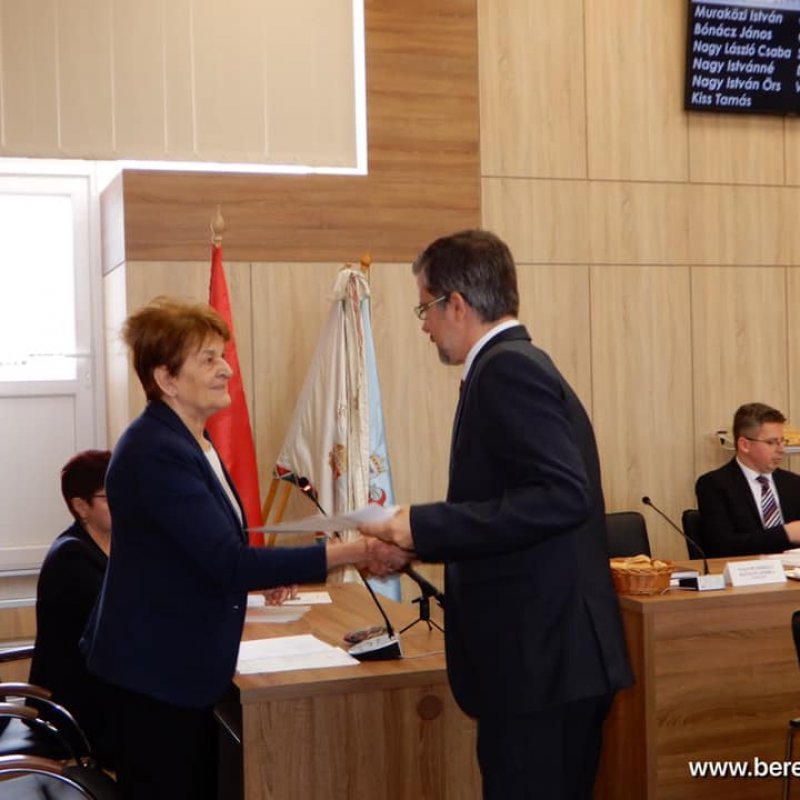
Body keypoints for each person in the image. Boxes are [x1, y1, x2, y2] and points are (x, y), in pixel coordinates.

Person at [81, 297, 409, 800]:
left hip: (177, 665)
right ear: (166, 378)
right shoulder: (156, 452)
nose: (226, 369)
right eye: (208, 359)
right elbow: (228, 562)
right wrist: (354, 550)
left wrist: (268, 572)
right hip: (156, 674)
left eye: (222, 355)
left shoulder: (193, 441)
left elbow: (205, 548)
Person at [359, 230, 633, 799]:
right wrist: (417, 541)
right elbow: (517, 509)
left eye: (425, 308)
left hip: (543, 665)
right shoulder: (508, 364)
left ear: (457, 304)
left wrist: (422, 525)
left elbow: (561, 495)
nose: (424, 326)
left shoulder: (509, 369)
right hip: (543, 664)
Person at [29, 449, 113, 764]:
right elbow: (121, 623)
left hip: (104, 688)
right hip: (76, 707)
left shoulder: (119, 546)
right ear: (81, 506)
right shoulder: (71, 558)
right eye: (109, 496)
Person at [695, 402, 800, 557]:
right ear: (745, 445)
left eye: (783, 441)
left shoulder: (794, 483)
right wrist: (785, 533)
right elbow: (722, 546)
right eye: (771, 442)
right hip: (743, 570)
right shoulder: (714, 485)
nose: (781, 449)